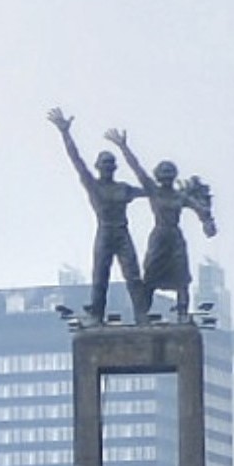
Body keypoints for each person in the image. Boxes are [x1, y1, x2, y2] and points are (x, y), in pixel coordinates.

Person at [107, 127, 217, 323]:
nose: (167, 175)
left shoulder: (180, 196)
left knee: (182, 279)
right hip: (159, 237)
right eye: (164, 172)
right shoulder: (154, 191)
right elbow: (137, 169)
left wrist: (207, 223)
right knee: (150, 277)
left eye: (170, 172)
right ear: (158, 175)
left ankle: (182, 314)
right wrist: (124, 147)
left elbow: (200, 209)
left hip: (175, 238)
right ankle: (142, 315)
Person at [49, 108, 141, 324]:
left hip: (122, 233)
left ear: (115, 167)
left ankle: (141, 314)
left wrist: (125, 148)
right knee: (100, 278)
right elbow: (76, 161)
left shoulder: (124, 189)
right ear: (98, 167)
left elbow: (152, 190)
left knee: (133, 276)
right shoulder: (94, 186)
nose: (107, 167)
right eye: (104, 163)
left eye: (110, 163)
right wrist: (65, 133)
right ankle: (97, 315)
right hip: (105, 232)